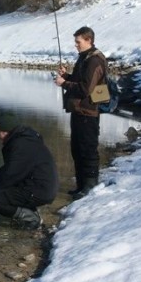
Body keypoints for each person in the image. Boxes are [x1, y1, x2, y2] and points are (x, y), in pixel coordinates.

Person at [0, 112, 58, 229]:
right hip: (40, 187)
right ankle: (29, 212)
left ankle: (31, 218)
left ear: (7, 131)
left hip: (40, 190)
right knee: (1, 194)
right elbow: (7, 169)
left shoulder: (21, 145)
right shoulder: (23, 140)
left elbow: (12, 174)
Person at [54, 26, 108, 200]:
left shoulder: (95, 60)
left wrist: (63, 83)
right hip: (78, 111)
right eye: (75, 42)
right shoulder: (84, 58)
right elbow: (80, 81)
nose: (75, 45)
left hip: (88, 112)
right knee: (76, 149)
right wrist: (68, 76)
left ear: (89, 41)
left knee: (88, 149)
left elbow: (85, 89)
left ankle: (90, 186)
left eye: (78, 42)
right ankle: (81, 186)